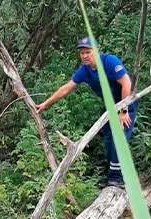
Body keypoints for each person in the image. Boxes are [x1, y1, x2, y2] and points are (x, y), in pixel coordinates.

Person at [36, 36, 138, 188]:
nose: (84, 56)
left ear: (96, 51)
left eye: (88, 52)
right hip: (110, 107)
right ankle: (113, 176)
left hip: (126, 103)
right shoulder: (84, 70)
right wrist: (45, 104)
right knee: (109, 140)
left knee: (119, 138)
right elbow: (66, 88)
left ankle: (117, 179)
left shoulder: (110, 62)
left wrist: (124, 110)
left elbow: (126, 84)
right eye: (82, 53)